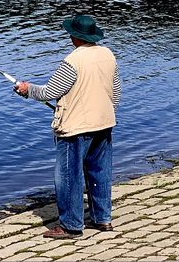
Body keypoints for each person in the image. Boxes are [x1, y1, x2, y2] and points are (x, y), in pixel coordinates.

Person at [14, 13, 121, 239]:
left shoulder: (72, 61)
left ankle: (71, 225)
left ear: (74, 37)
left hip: (76, 129)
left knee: (68, 176)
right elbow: (116, 91)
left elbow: (49, 92)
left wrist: (27, 89)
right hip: (104, 123)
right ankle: (103, 219)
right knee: (100, 172)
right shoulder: (108, 55)